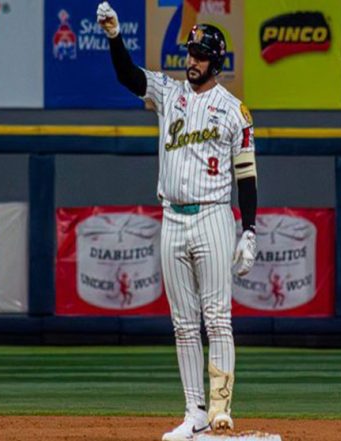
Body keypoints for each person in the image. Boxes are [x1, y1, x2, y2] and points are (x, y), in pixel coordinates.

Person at [97, 2, 258, 440]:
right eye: (190, 52)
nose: (192, 60)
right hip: (172, 216)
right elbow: (129, 77)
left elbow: (246, 174)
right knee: (184, 324)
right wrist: (114, 38)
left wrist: (250, 229)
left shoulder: (234, 110)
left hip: (212, 217)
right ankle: (195, 412)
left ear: (216, 61)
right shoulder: (170, 94)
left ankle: (222, 408)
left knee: (217, 318)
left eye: (200, 54)